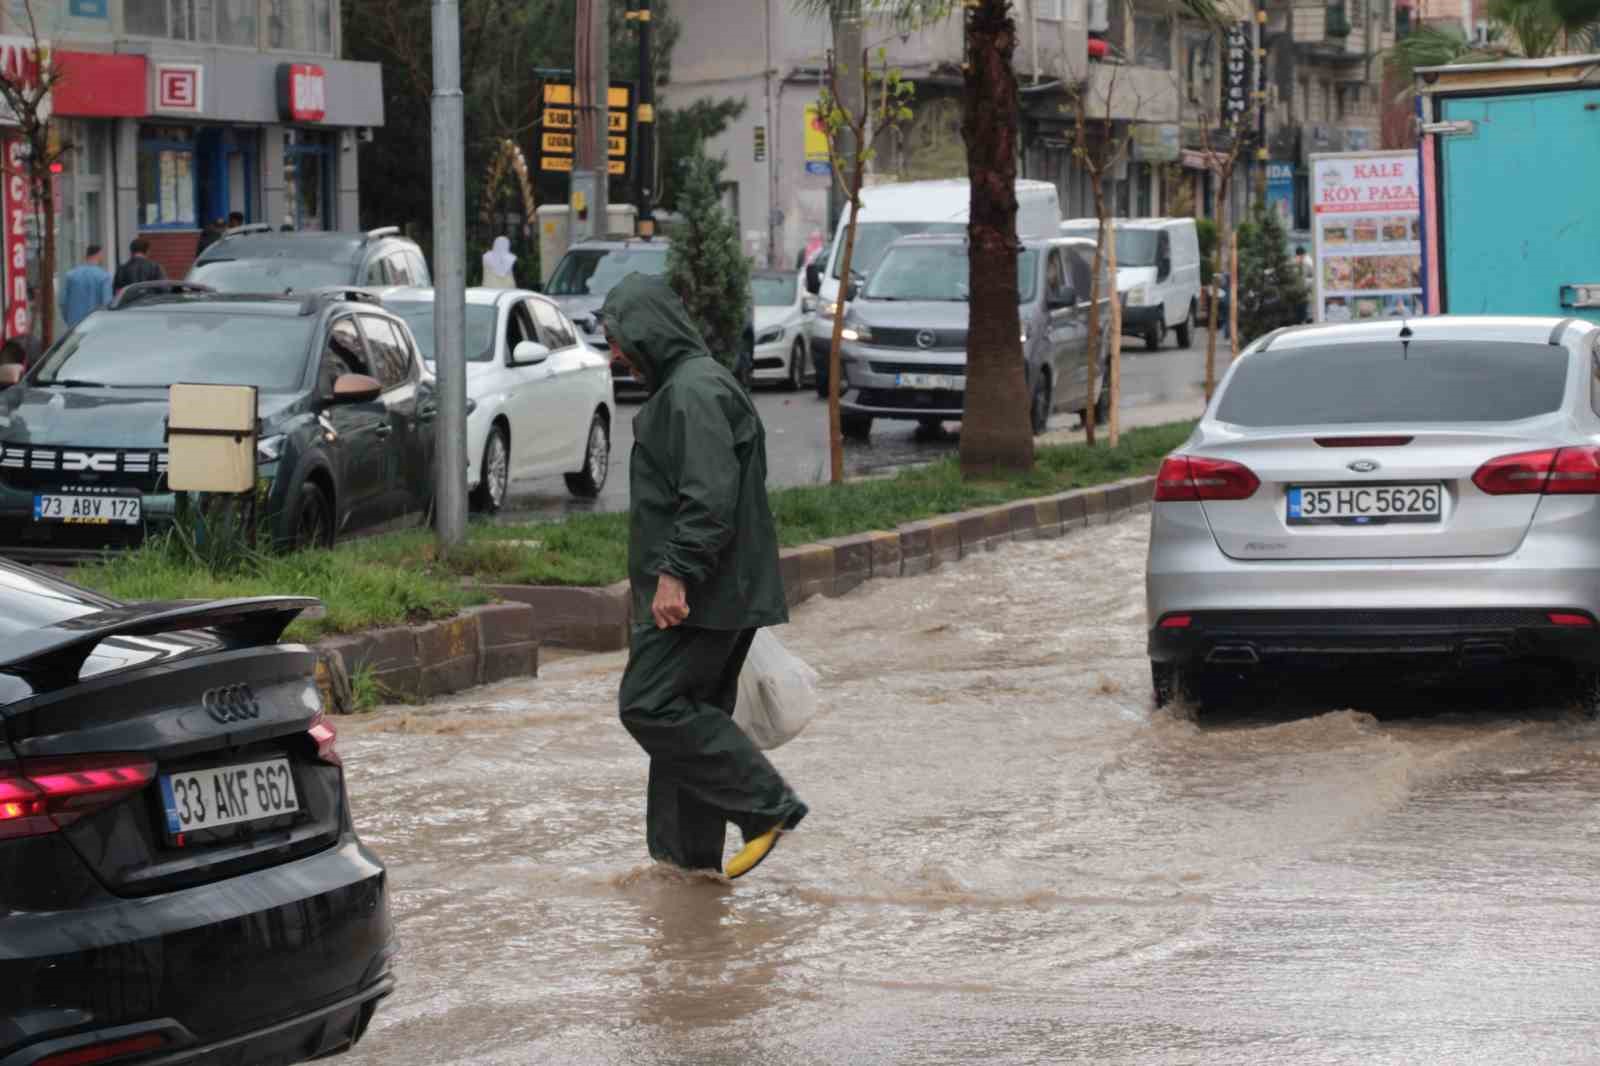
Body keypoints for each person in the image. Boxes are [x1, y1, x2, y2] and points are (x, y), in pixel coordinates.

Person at [600, 273, 808, 880]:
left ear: (647, 333)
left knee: (650, 705)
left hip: (700, 597)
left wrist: (674, 577)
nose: (615, 353)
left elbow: (709, 498)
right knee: (682, 724)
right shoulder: (690, 387)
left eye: (618, 339)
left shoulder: (693, 393)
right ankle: (686, 875)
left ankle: (764, 805)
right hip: (709, 594)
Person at [59, 244, 113, 328]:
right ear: (99, 254)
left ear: (86, 255)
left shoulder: (71, 275)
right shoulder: (104, 277)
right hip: (95, 325)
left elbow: (63, 302)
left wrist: (69, 319)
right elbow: (107, 303)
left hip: (74, 324)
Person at [1294, 245, 1314, 323]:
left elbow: (1305, 278)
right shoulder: (1308, 260)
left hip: (1305, 293)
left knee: (1305, 311)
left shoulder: (1306, 262)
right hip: (1306, 293)